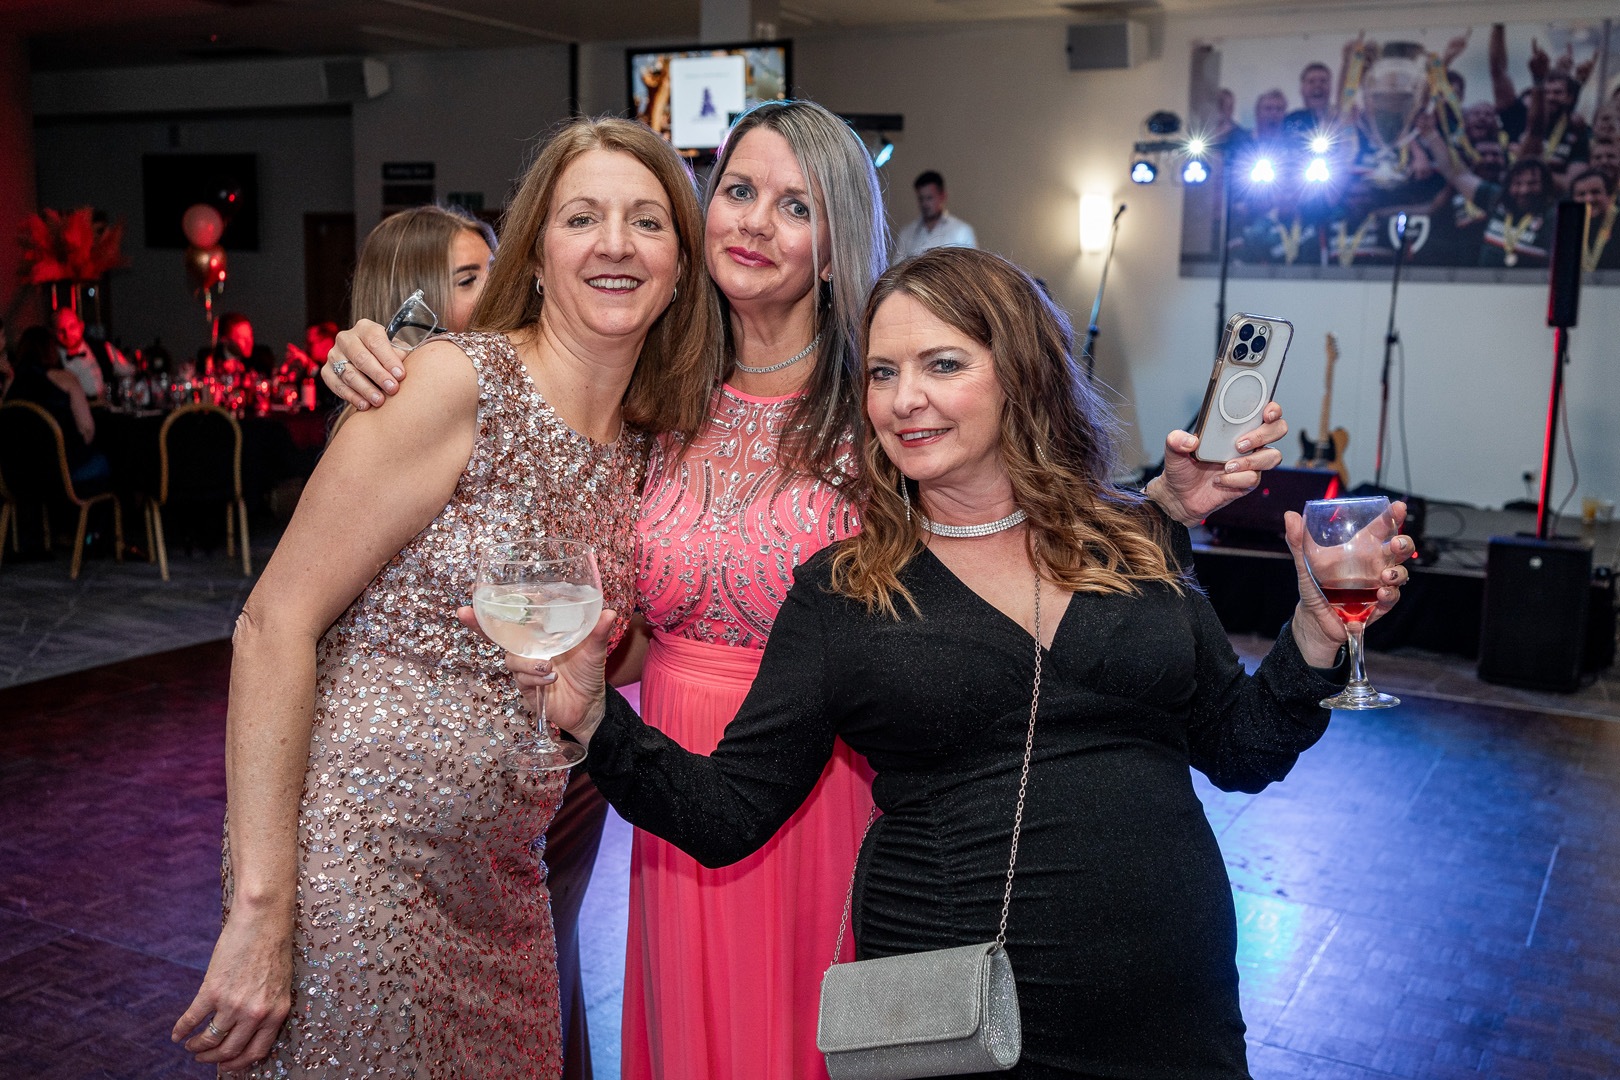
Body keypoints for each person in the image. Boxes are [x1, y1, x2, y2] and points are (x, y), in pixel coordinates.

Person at [324, 103, 1292, 1080]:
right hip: (674, 761)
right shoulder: (650, 381)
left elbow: (1010, 511)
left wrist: (1159, 507)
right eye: (738, 192)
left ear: (837, 245)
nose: (754, 222)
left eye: (795, 205)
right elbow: (523, 382)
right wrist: (382, 352)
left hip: (837, 774)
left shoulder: (881, 395)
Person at [505, 246, 1412, 1080]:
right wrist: (595, 719)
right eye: (883, 373)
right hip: (959, 1025)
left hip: (1174, 1011)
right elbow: (727, 812)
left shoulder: (1130, 541)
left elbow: (1241, 749)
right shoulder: (844, 591)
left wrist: (1315, 634)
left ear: (1020, 374)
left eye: (942, 365)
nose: (904, 399)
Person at [169, 115, 718, 1076]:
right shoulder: (452, 385)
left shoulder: (648, 447)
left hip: (506, 880)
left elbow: (617, 640)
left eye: (647, 221)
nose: (616, 245)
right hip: (356, 868)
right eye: (581, 217)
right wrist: (259, 909)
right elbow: (271, 623)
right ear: (536, 256)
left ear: (680, 267)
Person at [9, 325, 109, 485]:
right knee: (111, 456)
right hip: (61, 473)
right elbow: (87, 430)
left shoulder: (12, 384)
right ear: (51, 349)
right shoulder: (65, 379)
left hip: (20, 474)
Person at [52, 306, 132, 403]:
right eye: (61, 330)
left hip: (107, 408)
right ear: (54, 333)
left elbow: (129, 371)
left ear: (81, 326)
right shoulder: (52, 358)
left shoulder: (104, 348)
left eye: (72, 327)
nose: (67, 334)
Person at [893, 170, 977, 259]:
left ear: (942, 196)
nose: (925, 204)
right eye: (921, 198)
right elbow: (898, 265)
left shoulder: (961, 231)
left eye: (929, 198)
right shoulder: (907, 233)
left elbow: (970, 265)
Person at [1571, 166, 1619, 270]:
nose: (1589, 199)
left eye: (1595, 192)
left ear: (1610, 196)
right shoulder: (1566, 228)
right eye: (1581, 194)